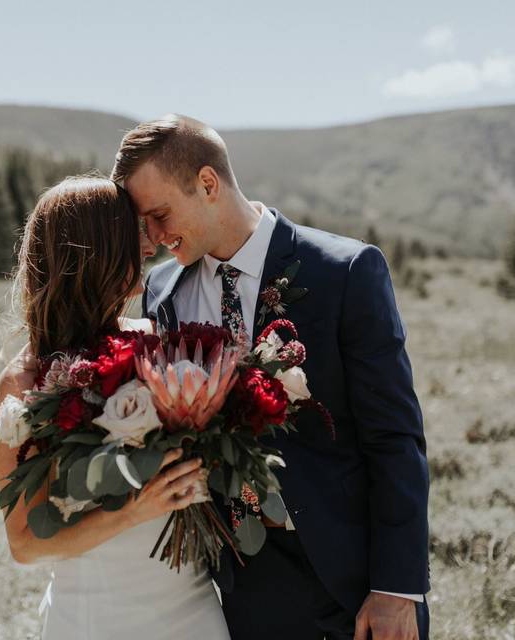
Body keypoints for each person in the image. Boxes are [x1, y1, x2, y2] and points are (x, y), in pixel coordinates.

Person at [113, 115, 431, 640]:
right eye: (143, 222)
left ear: (208, 184)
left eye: (160, 213)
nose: (153, 237)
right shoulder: (161, 294)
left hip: (351, 581)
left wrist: (396, 588)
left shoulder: (344, 271)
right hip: (238, 588)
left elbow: (395, 437)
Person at [0, 175, 231, 640]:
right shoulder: (22, 385)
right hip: (101, 619)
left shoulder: (156, 341)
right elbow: (24, 543)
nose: (151, 247)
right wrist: (133, 510)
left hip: (194, 606)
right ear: (98, 253)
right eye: (134, 234)